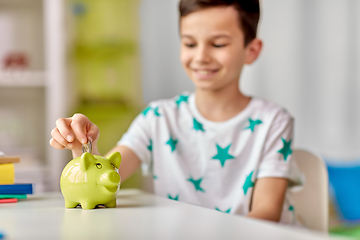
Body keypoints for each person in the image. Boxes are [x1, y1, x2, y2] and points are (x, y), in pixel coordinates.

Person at [50, 0, 303, 225]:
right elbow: (102, 181)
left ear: (252, 50)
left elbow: (267, 213)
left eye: (218, 44)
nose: (201, 56)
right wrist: (82, 143)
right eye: (190, 43)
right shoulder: (158, 118)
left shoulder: (273, 121)